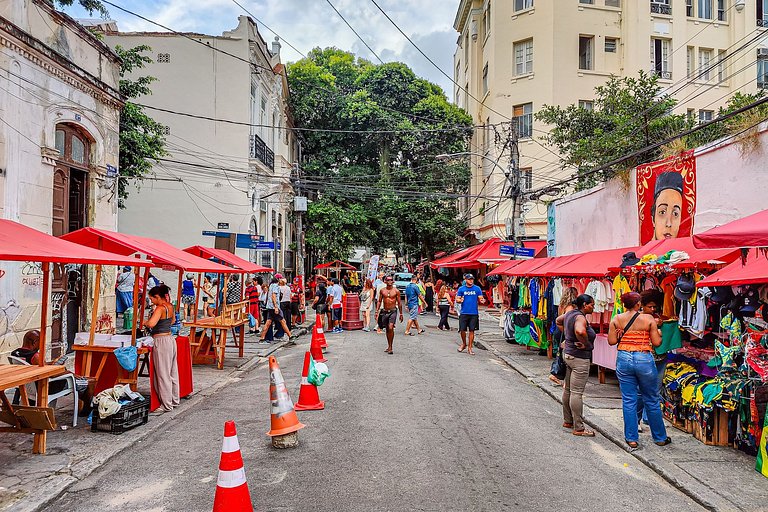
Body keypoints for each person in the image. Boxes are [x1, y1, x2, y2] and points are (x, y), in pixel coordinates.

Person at [608, 292, 671, 448]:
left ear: (624, 305)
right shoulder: (648, 319)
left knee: (629, 399)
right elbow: (657, 343)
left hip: (623, 358)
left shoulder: (617, 319)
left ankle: (632, 439)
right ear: (638, 305)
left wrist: (620, 334)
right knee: (651, 398)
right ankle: (660, 437)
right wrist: (660, 334)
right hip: (644, 358)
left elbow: (611, 341)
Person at [556, 294, 596, 437]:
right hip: (579, 358)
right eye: (592, 304)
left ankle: (568, 420)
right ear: (584, 305)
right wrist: (586, 344)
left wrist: (568, 336)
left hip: (568, 355)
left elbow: (558, 321)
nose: (593, 307)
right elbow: (580, 331)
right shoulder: (580, 317)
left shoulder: (570, 313)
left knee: (568, 390)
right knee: (576, 392)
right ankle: (578, 427)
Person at [145, 284, 180, 413]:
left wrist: (144, 322)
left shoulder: (160, 308)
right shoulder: (170, 306)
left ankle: (166, 404)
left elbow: (151, 324)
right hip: (170, 339)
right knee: (172, 372)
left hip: (161, 340)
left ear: (157, 297)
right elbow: (172, 321)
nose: (151, 301)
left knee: (163, 373)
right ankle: (174, 399)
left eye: (152, 299)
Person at [638, 289, 667, 430]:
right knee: (640, 390)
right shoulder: (637, 319)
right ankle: (636, 419)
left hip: (660, 358)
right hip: (644, 358)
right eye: (650, 306)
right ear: (642, 305)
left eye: (655, 306)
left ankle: (647, 417)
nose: (653, 309)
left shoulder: (658, 318)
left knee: (655, 389)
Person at [550, 286, 579, 386]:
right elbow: (568, 320)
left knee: (561, 353)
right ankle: (557, 374)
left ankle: (557, 373)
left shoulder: (562, 305)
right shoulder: (571, 308)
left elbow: (559, 318)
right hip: (564, 330)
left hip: (559, 330)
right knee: (566, 355)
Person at [456, 274, 485, 355]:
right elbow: (457, 298)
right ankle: (464, 343)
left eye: (472, 279)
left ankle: (470, 347)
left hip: (474, 313)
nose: (471, 281)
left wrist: (482, 300)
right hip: (464, 312)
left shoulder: (477, 288)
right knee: (462, 330)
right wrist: (460, 300)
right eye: (469, 279)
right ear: (465, 280)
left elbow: (480, 297)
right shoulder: (461, 289)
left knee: (472, 330)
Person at [376, 275, 403, 354]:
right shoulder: (382, 290)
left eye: (391, 280)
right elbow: (379, 301)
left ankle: (391, 347)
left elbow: (399, 303)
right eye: (388, 280)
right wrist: (377, 311)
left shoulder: (396, 291)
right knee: (387, 329)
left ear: (393, 281)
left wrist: (401, 313)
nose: (390, 282)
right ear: (385, 281)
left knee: (391, 327)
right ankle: (389, 345)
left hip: (393, 311)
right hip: (385, 311)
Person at [652, 171, 684, 241]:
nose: (669, 224)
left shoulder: (681, 252)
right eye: (662, 212)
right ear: (653, 219)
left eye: (675, 214)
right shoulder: (645, 252)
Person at [259, 276, 291, 340]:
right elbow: (274, 296)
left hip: (270, 307)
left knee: (268, 323)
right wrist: (276, 307)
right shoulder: (276, 286)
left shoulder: (271, 286)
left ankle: (262, 337)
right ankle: (290, 336)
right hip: (274, 307)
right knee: (282, 321)